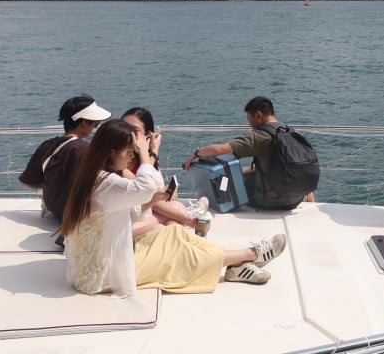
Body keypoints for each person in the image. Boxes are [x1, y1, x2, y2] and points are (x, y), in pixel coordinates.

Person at [60, 119, 287, 296]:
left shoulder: (98, 176)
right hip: (99, 274)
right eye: (128, 152)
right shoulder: (105, 183)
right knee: (179, 256)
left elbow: (128, 214)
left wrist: (151, 201)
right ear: (111, 152)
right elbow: (146, 183)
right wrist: (144, 151)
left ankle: (237, 266)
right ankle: (252, 254)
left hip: (100, 259)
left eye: (133, 152)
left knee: (173, 232)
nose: (131, 157)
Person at [182, 96, 316, 210]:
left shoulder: (259, 136)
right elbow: (277, 165)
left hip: (270, 202)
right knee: (246, 173)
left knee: (229, 184)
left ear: (258, 115)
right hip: (295, 200)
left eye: (249, 119)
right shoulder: (290, 132)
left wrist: (196, 153)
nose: (249, 124)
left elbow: (217, 150)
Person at [19, 95, 111, 219]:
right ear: (84, 123)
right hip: (77, 217)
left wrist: (53, 184)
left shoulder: (47, 146)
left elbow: (25, 182)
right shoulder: (87, 150)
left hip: (55, 213)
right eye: (95, 124)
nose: (95, 127)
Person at [120, 107, 197, 236]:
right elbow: (147, 192)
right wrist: (153, 152)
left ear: (148, 135)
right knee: (167, 223)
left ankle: (182, 242)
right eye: (123, 127)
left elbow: (153, 195)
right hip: (122, 221)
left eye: (134, 130)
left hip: (137, 213)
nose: (127, 133)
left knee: (176, 212)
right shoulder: (115, 160)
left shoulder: (144, 160)